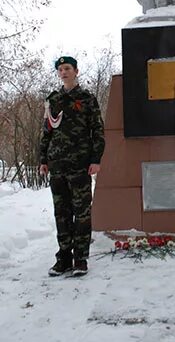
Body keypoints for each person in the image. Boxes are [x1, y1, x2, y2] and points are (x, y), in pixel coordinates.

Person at [39, 56, 105, 277]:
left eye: (67, 68)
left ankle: (81, 259)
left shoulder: (86, 99)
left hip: (80, 165)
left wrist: (96, 159)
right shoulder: (53, 100)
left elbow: (97, 131)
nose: (63, 72)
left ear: (76, 71)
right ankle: (64, 258)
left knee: (82, 213)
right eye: (60, 69)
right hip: (57, 166)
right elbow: (47, 132)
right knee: (62, 213)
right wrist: (43, 160)